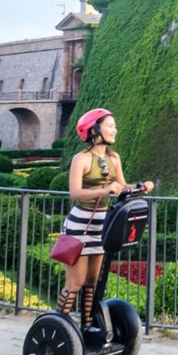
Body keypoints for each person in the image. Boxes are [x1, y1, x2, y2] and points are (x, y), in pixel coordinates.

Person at [62, 109, 152, 325]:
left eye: (114, 126)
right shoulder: (81, 159)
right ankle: (59, 325)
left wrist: (140, 186)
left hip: (102, 224)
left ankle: (87, 326)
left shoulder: (114, 158)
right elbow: (74, 193)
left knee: (93, 282)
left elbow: (121, 187)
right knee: (75, 283)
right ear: (95, 130)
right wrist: (103, 191)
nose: (115, 130)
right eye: (109, 126)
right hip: (80, 225)